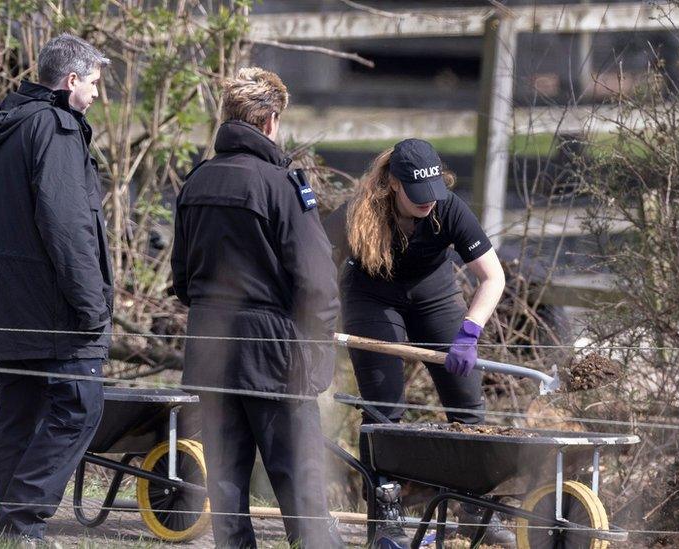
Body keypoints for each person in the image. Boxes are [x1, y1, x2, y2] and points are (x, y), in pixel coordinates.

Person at [0, 34, 111, 544]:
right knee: (79, 405)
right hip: (54, 307)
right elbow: (67, 228)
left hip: (6, 301)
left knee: (20, 411)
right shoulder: (56, 128)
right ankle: (24, 519)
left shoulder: (6, 122)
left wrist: (6, 253)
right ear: (71, 81)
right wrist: (92, 305)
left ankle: (10, 526)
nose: (97, 95)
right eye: (95, 84)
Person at [171, 67, 341, 549]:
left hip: (207, 343)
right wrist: (317, 349)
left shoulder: (196, 181)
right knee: (300, 479)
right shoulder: (281, 185)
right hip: (271, 350)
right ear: (270, 120)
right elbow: (317, 281)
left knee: (225, 481)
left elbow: (182, 278)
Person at [323, 139, 512, 548]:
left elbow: (493, 277)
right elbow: (315, 262)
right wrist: (316, 315)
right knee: (384, 409)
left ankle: (474, 512)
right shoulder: (359, 212)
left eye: (433, 193)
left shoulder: (449, 208)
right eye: (417, 194)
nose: (428, 202)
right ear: (393, 184)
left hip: (434, 293)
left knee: (467, 403)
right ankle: (386, 521)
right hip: (371, 295)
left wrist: (469, 332)